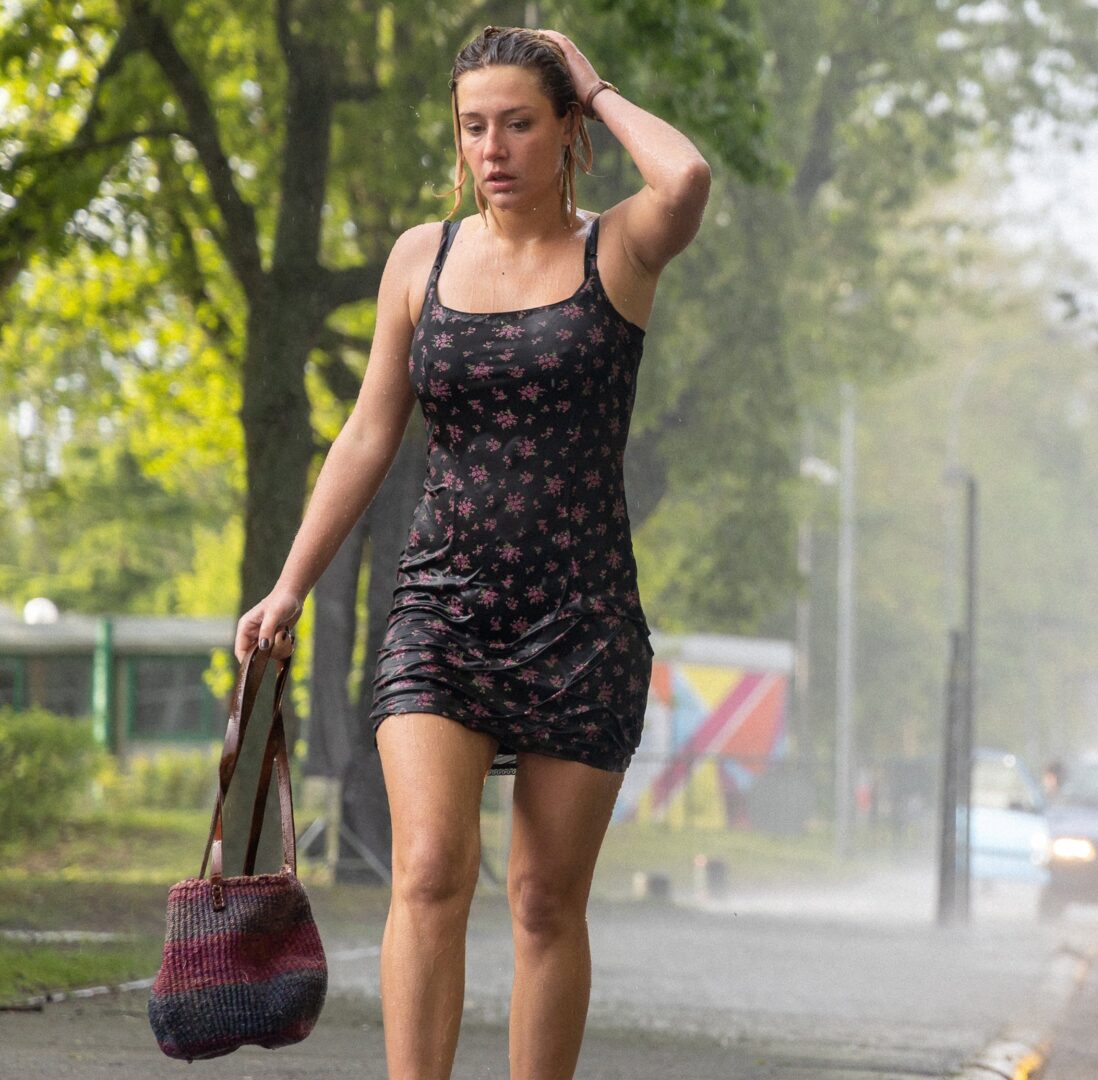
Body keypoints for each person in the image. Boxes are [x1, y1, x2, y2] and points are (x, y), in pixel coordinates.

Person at [231, 25, 709, 1079]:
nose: (492, 147)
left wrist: (595, 80)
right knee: (433, 872)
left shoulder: (616, 250)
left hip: (583, 620)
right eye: (473, 126)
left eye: (520, 122)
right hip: (441, 607)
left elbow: (687, 175)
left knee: (543, 901)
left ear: (567, 128)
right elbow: (367, 434)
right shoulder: (424, 256)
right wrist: (289, 585)